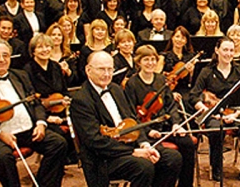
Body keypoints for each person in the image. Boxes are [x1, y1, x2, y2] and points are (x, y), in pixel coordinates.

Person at [70, 50, 182, 186]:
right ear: (88, 70)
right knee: (144, 166)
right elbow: (95, 141)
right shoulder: (81, 99)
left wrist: (144, 144)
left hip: (130, 145)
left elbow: (132, 120)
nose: (106, 74)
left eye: (110, 69)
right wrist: (134, 152)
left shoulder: (116, 89)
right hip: (104, 158)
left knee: (172, 158)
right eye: (101, 69)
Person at [0, 39, 67, 187]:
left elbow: (35, 102)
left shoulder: (20, 76)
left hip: (27, 130)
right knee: (3, 157)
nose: (2, 60)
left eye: (5, 55)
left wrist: (40, 123)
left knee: (58, 144)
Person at [124, 45, 196, 187]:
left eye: (153, 59)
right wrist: (148, 130)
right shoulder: (132, 84)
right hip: (144, 130)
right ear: (139, 62)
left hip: (164, 125)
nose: (150, 63)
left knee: (188, 144)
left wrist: (176, 123)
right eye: (146, 59)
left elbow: (170, 106)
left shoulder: (161, 80)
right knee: (171, 158)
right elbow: (131, 115)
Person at [189, 37, 240, 182]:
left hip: (236, 111)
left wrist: (236, 114)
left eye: (231, 50)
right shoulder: (206, 72)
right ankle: (216, 167)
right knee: (216, 131)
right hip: (213, 115)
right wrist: (209, 111)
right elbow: (193, 96)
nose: (228, 53)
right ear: (217, 50)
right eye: (225, 50)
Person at [23, 34, 76, 164]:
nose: (45, 50)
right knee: (60, 136)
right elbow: (30, 101)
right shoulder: (27, 71)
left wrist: (65, 100)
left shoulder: (56, 67)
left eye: (47, 46)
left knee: (80, 125)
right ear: (33, 50)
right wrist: (47, 118)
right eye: (40, 47)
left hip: (60, 109)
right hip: (40, 115)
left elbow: (63, 90)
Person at [160, 26, 197, 108]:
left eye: (183, 38)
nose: (179, 40)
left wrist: (191, 72)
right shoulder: (164, 56)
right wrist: (170, 93)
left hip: (185, 89)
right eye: (177, 36)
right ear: (172, 38)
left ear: (186, 41)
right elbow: (157, 77)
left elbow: (192, 81)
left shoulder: (190, 57)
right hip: (168, 89)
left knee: (190, 101)